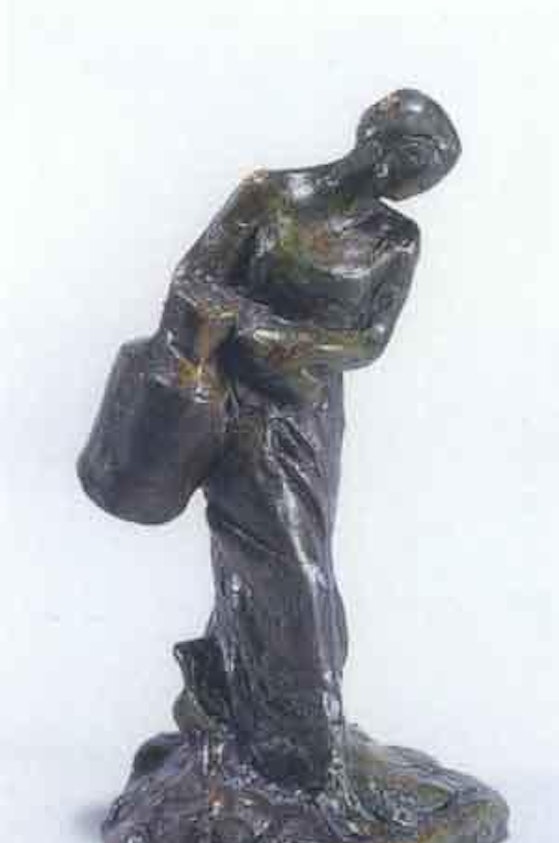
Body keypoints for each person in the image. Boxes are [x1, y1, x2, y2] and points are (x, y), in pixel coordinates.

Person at [79, 89, 461, 800]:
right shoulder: (271, 196)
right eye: (424, 165)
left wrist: (297, 343)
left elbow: (370, 342)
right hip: (229, 405)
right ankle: (302, 752)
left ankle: (236, 707)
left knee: (292, 563)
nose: (423, 185)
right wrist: (256, 326)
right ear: (384, 146)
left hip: (307, 417)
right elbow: (194, 278)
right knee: (290, 571)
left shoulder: (397, 239)